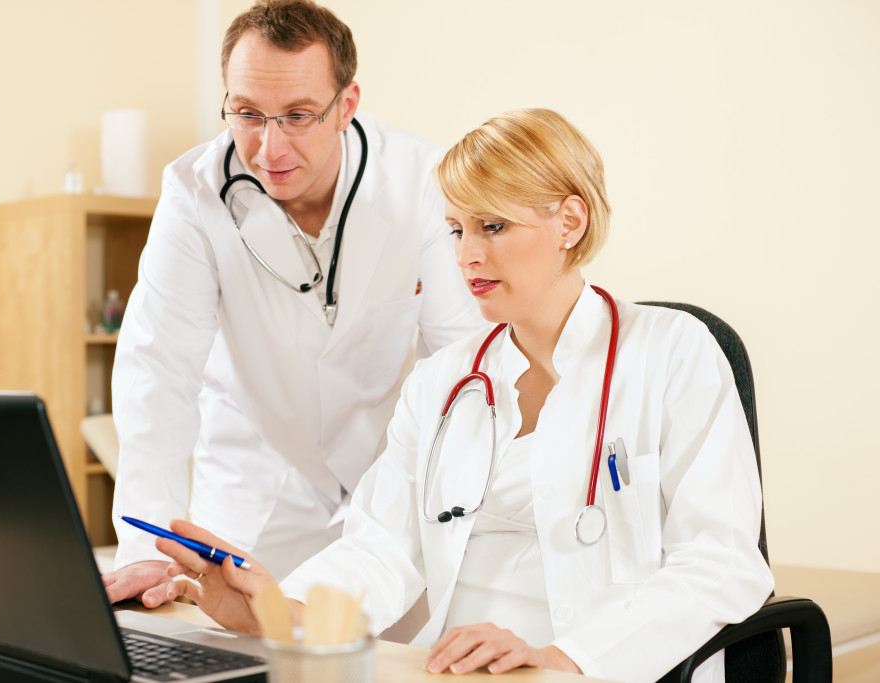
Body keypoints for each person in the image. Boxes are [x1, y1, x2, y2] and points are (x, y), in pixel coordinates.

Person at [151, 109, 776, 682]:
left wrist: (561, 659)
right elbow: (382, 547)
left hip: (606, 667)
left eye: (493, 226)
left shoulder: (673, 351)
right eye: (455, 230)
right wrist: (275, 610)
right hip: (455, 670)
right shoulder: (444, 381)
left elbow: (720, 560)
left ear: (571, 220)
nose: (467, 256)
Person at [103, 0, 482, 609]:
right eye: (247, 113)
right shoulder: (194, 191)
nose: (268, 148)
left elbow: (458, 361)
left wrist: (444, 506)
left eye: (298, 116)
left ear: (346, 106)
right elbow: (159, 369)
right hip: (255, 481)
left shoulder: (423, 182)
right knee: (240, 651)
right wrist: (144, 544)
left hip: (387, 477)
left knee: (385, 658)